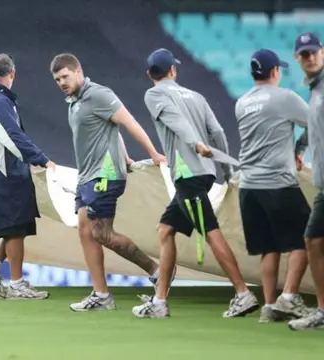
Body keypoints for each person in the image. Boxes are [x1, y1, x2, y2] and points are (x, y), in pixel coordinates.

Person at [133, 48, 259, 318]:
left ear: (149, 74)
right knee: (165, 229)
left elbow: (175, 121)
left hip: (188, 175)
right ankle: (159, 302)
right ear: (173, 71)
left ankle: (243, 293)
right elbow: (218, 133)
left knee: (211, 233)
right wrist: (224, 170)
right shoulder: (196, 97)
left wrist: (195, 143)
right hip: (202, 173)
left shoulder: (154, 94)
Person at [49, 53, 171, 312]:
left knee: (100, 233)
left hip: (104, 177)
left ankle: (157, 270)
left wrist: (153, 154)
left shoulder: (100, 94)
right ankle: (101, 295)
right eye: (57, 79)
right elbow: (109, 128)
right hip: (87, 177)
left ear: (79, 71)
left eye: (65, 76)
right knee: (85, 231)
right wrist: (125, 156)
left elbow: (129, 123)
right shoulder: (73, 102)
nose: (61, 82)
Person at [235, 49, 312, 323]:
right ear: (275, 72)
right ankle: (288, 298)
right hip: (278, 183)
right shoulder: (284, 98)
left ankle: (269, 307)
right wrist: (300, 150)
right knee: (307, 239)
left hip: (248, 187)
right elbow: (316, 124)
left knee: (270, 247)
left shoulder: (241, 103)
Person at [0, 53, 54, 300]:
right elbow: (13, 137)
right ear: (12, 74)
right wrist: (42, 159)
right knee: (15, 228)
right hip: (6, 175)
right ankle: (16, 284)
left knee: (16, 226)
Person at [287, 32, 324, 331]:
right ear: (298, 59)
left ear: (322, 53)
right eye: (304, 54)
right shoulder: (314, 91)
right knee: (313, 240)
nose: (310, 57)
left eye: (314, 52)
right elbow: (313, 128)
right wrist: (299, 149)